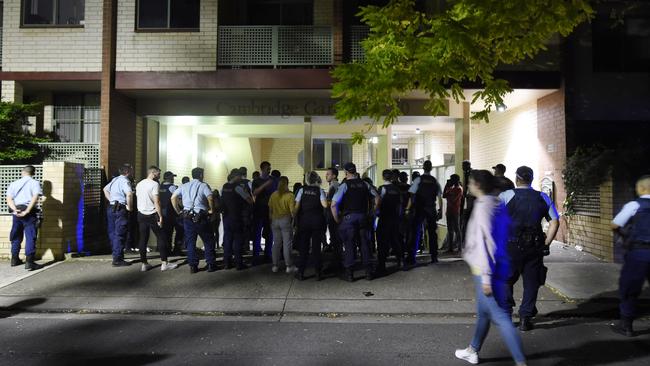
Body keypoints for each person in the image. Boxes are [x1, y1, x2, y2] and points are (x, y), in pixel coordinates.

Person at [454, 170, 527, 366]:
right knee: (484, 312)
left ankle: (521, 362)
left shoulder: (483, 207)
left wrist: (486, 278)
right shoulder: (497, 203)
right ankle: (473, 349)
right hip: (500, 266)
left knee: (501, 317)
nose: (468, 185)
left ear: (477, 184)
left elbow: (487, 243)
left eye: (470, 182)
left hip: (486, 271)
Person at [499, 166, 560, 331]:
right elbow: (555, 222)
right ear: (531, 179)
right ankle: (525, 318)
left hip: (510, 246)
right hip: (534, 247)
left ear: (517, 178)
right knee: (531, 283)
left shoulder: (505, 196)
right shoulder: (543, 197)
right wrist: (546, 242)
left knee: (506, 280)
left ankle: (506, 316)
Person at [610, 175, 650, 337]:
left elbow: (615, 224)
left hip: (639, 252)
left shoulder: (634, 205)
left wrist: (625, 237)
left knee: (630, 288)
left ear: (640, 188)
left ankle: (627, 325)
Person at [331, 163, 379, 282]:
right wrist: (372, 212)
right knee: (365, 244)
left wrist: (337, 219)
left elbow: (333, 204)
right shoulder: (365, 184)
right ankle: (368, 272)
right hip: (363, 217)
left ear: (346, 172)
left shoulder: (344, 186)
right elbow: (377, 198)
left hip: (349, 219)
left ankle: (350, 273)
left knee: (349, 245)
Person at [171, 167, 218, 273]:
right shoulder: (203, 185)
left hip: (187, 218)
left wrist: (179, 211)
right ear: (201, 175)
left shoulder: (184, 185)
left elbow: (173, 197)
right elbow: (210, 197)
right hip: (201, 217)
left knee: (190, 242)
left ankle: (193, 266)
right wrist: (211, 210)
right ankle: (210, 264)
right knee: (208, 240)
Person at [135, 166, 178, 272]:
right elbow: (157, 201)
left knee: (143, 238)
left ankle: (144, 264)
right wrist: (160, 216)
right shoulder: (154, 184)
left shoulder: (139, 184)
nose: (159, 175)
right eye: (158, 173)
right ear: (153, 173)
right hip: (153, 214)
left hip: (141, 214)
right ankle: (164, 263)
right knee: (161, 237)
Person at [406, 160, 443, 266]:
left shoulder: (418, 180)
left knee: (416, 232)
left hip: (420, 209)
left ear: (423, 168)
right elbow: (439, 197)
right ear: (431, 168)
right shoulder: (434, 181)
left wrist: (408, 209)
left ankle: (412, 257)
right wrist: (440, 210)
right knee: (432, 233)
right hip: (431, 209)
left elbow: (412, 195)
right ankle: (434, 256)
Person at [6, 165, 43, 270]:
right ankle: (30, 262)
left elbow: (9, 198)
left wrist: (14, 210)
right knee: (30, 236)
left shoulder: (14, 183)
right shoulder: (34, 183)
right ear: (33, 173)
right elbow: (35, 197)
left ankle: (14, 259)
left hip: (16, 213)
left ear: (23, 172)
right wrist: (27, 211)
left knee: (16, 235)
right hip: (29, 213)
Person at [294, 172, 328, 281]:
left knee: (303, 247)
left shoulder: (301, 190)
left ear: (307, 180)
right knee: (316, 248)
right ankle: (318, 272)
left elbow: (296, 207)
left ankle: (301, 272)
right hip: (317, 221)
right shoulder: (320, 190)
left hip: (304, 221)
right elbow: (325, 205)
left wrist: (294, 220)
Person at [221, 169, 253, 270]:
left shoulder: (224, 187)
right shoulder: (238, 188)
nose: (241, 178)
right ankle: (239, 263)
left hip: (226, 217)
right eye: (239, 176)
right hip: (237, 217)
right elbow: (250, 200)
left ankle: (227, 263)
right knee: (238, 240)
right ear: (236, 176)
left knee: (227, 240)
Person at [103, 164, 134, 267]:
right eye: (131, 170)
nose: (132, 172)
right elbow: (129, 194)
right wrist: (129, 207)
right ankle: (117, 259)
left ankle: (116, 254)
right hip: (120, 209)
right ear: (127, 171)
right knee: (120, 233)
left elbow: (105, 189)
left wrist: (111, 199)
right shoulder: (125, 181)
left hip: (111, 208)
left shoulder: (115, 179)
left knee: (112, 233)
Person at [376, 169, 404, 274]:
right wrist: (399, 216)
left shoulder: (382, 189)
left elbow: (378, 203)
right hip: (395, 218)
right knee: (395, 239)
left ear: (383, 177)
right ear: (392, 177)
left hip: (384, 218)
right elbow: (400, 204)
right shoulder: (397, 189)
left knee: (382, 240)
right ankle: (400, 260)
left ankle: (381, 264)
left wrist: (376, 213)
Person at [268, 176, 296, 274]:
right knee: (287, 244)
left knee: (276, 244)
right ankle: (288, 266)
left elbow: (270, 210)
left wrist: (271, 219)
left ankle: (275, 265)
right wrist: (294, 221)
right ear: (287, 183)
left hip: (275, 220)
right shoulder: (290, 196)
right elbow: (293, 211)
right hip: (285, 220)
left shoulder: (273, 195)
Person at [252, 161, 276, 263]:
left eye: (270, 168)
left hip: (270, 210)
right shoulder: (256, 181)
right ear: (262, 169)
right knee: (257, 233)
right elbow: (254, 193)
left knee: (269, 233)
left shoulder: (273, 180)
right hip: (259, 210)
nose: (269, 170)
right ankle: (256, 256)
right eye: (267, 168)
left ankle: (268, 254)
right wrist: (265, 185)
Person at [159, 171, 184, 255]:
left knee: (166, 232)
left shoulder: (160, 187)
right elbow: (178, 199)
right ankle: (177, 250)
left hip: (163, 213)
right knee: (179, 231)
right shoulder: (172, 187)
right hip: (173, 213)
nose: (173, 178)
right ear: (169, 178)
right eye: (172, 177)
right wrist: (182, 208)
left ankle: (167, 250)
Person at [325, 167, 342, 272]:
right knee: (336, 239)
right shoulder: (337, 185)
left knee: (335, 239)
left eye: (328, 174)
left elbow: (331, 203)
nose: (326, 175)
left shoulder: (334, 186)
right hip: (336, 215)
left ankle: (336, 263)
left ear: (334, 176)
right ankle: (337, 261)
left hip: (333, 216)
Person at [443, 174, 464, 253]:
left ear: (455, 180)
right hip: (449, 211)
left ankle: (459, 248)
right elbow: (444, 195)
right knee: (450, 229)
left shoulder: (459, 189)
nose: (450, 181)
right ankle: (450, 247)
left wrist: (449, 192)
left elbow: (453, 199)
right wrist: (446, 185)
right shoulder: (452, 188)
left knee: (457, 229)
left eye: (451, 179)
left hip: (455, 211)